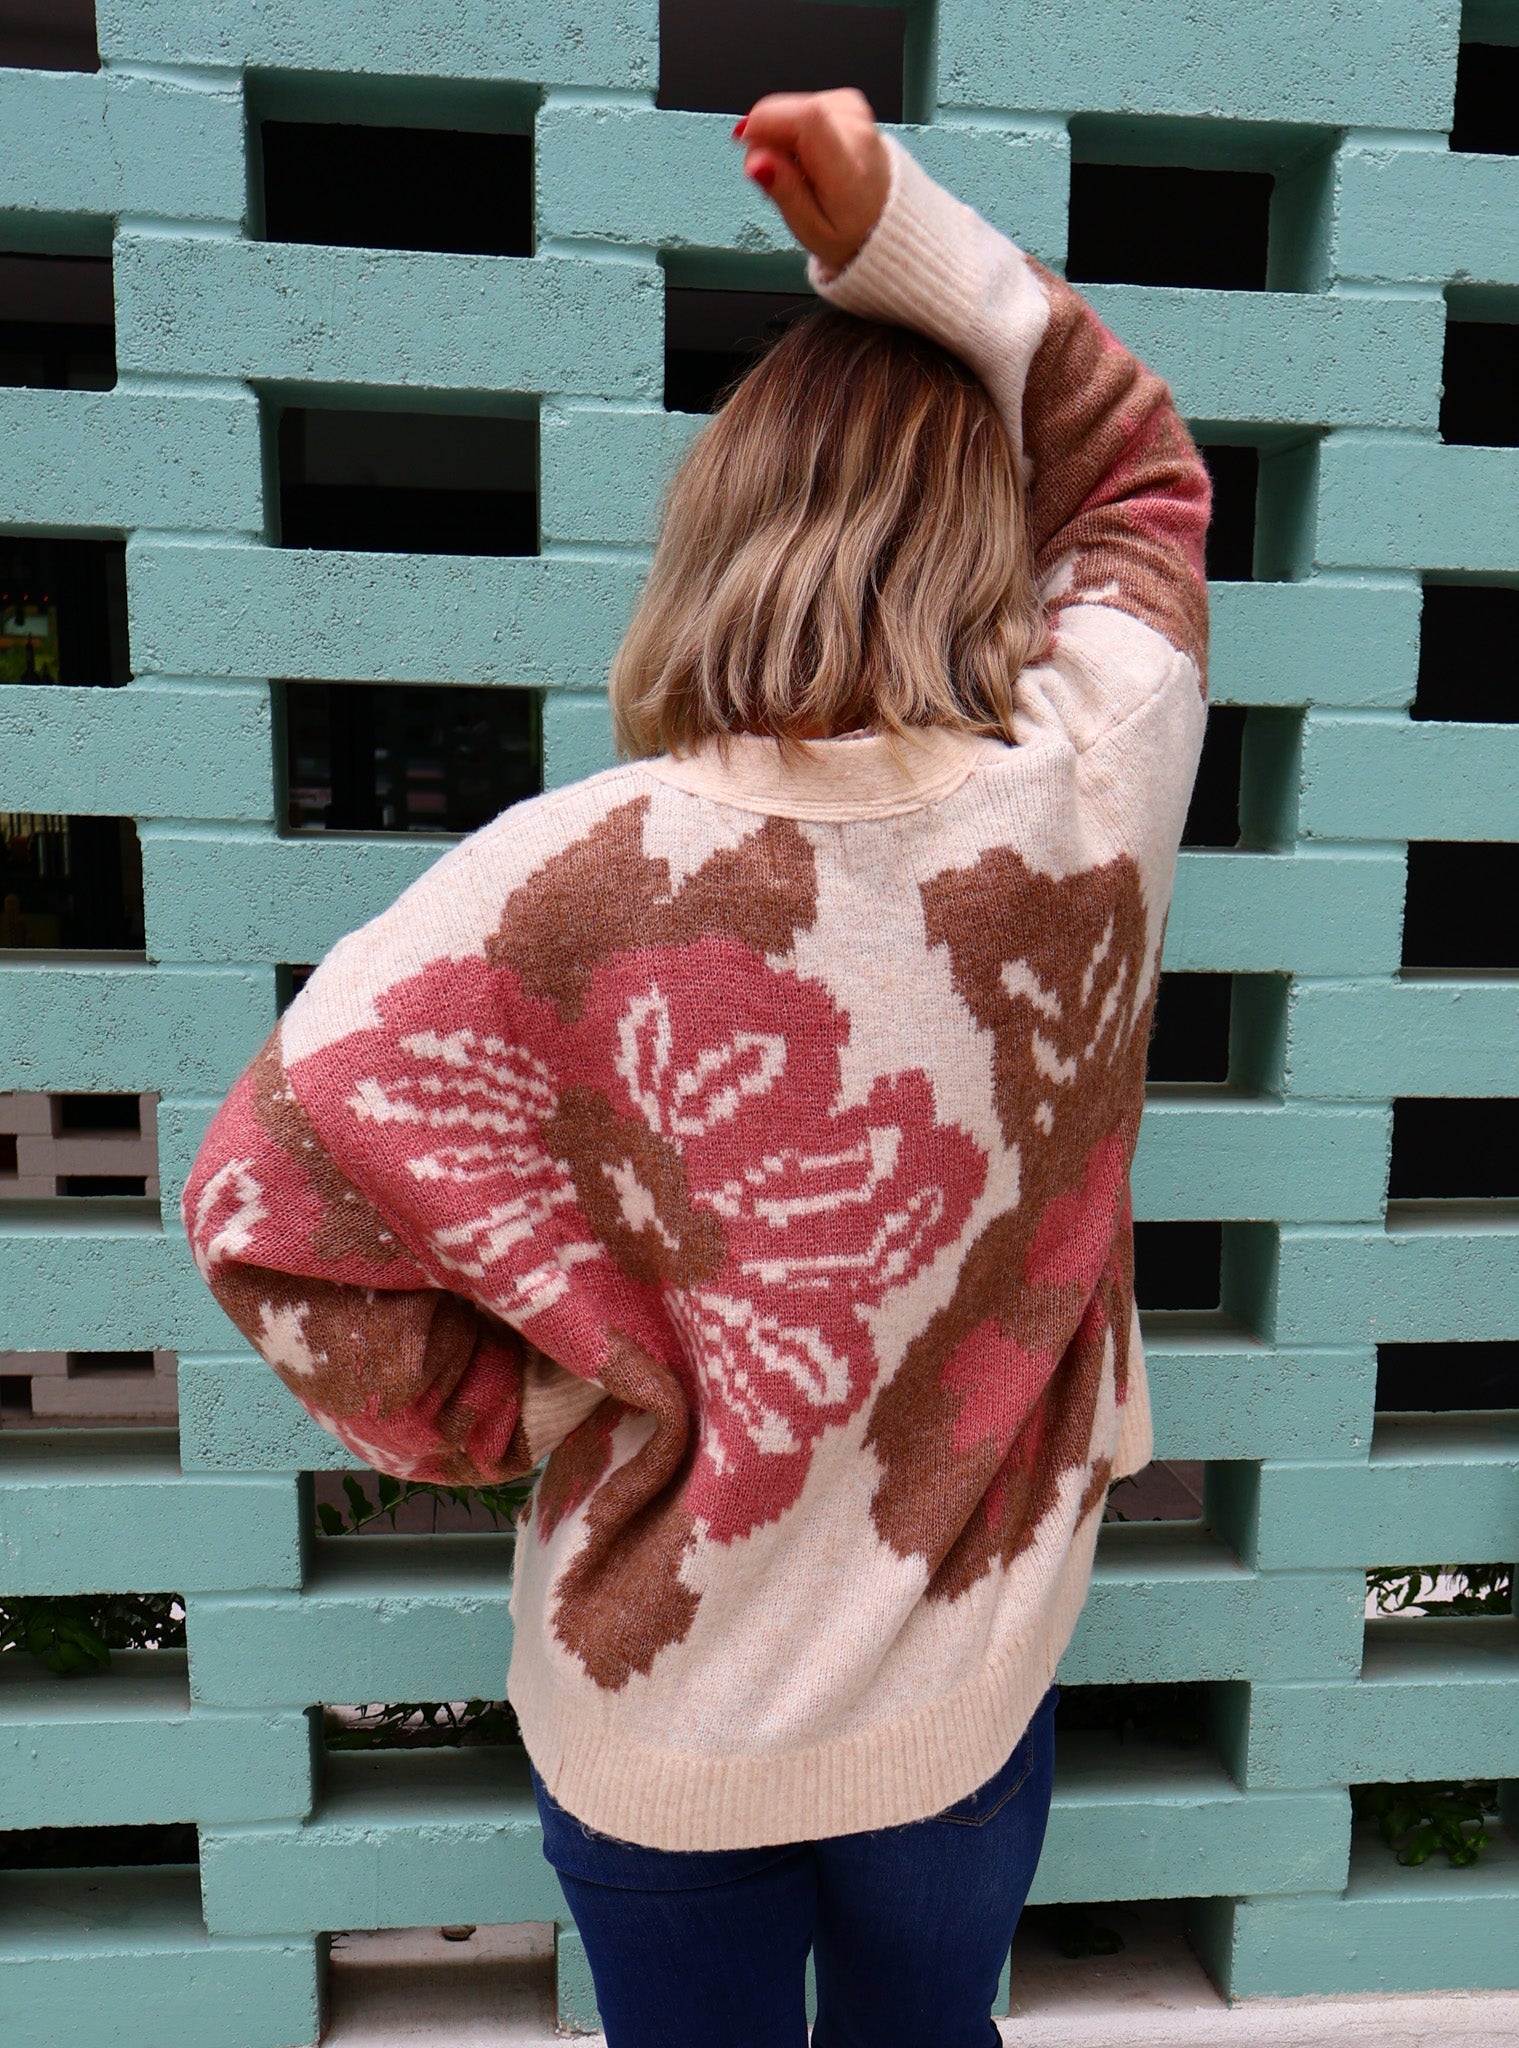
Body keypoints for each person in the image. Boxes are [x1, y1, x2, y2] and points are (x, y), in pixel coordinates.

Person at [182, 89, 1209, 2048]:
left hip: (651, 1708)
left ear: (719, 528)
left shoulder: (556, 878)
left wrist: (535, 1397)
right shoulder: (1100, 770)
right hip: (958, 1688)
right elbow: (1140, 475)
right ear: (986, 539)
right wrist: (898, 225)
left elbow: (261, 1201)